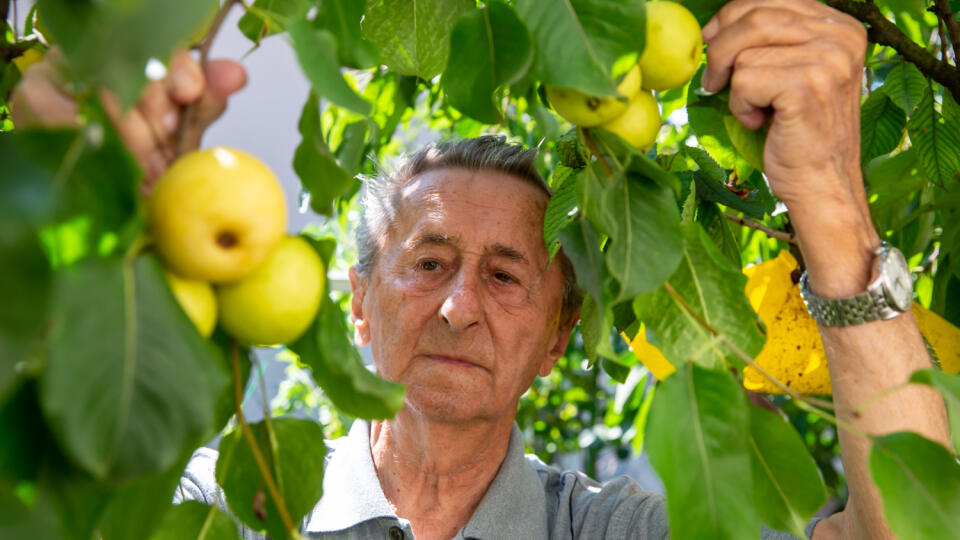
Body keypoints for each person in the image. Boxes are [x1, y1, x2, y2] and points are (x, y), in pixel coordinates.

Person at [12, 0, 950, 538]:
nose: (460, 305)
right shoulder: (231, 500)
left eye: (506, 275)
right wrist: (72, 237)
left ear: (553, 341)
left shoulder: (603, 533)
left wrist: (828, 200)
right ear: (359, 309)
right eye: (427, 261)